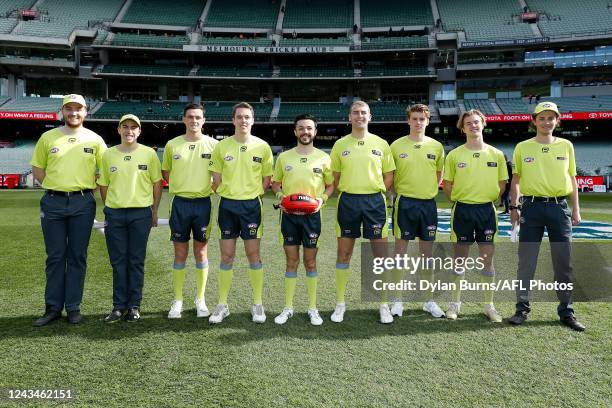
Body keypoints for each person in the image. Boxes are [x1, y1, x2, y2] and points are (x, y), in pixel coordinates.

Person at [30, 94, 107, 326]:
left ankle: (73, 307)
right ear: (62, 111)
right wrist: (58, 188)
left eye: (78, 109)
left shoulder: (95, 140)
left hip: (83, 203)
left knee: (77, 256)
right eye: (69, 109)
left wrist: (81, 191)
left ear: (86, 112)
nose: (74, 113)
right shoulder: (48, 137)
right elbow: (38, 170)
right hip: (52, 202)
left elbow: (103, 173)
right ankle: (53, 307)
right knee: (55, 256)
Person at [509, 101, 585, 331]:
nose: (546, 122)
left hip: (559, 208)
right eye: (541, 118)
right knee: (527, 262)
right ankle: (521, 309)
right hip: (531, 209)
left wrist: (576, 209)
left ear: (557, 121)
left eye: (551, 118)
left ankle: (566, 311)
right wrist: (515, 207)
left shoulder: (566, 145)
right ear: (534, 121)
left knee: (563, 263)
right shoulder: (522, 147)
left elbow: (572, 179)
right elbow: (516, 180)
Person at [329, 101, 395, 324]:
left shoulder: (381, 144)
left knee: (379, 257)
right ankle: (340, 304)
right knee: (344, 254)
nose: (359, 116)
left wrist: (373, 192)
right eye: (355, 113)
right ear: (349, 117)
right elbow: (336, 179)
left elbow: (389, 177)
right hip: (348, 201)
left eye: (363, 113)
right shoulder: (339, 145)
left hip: (374, 203)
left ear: (370, 116)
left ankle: (383, 304)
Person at [208, 102, 273, 324]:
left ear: (252, 120)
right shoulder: (221, 147)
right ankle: (222, 304)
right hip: (227, 206)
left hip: (251, 207)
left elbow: (266, 181)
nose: (243, 120)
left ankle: (257, 303)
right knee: (226, 256)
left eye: (247, 117)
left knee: (253, 255)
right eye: (239, 117)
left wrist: (248, 194)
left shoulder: (263, 147)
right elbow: (215, 181)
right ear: (233, 120)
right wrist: (231, 193)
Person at [443, 109, 508, 322]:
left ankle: (489, 305)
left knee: (487, 260)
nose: (473, 126)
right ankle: (454, 304)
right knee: (459, 260)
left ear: (483, 124)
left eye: (476, 122)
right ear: (463, 128)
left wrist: (483, 198)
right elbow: (448, 186)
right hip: (462, 210)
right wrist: (465, 198)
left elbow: (502, 185)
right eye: (468, 123)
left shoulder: (496, 154)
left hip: (486, 211)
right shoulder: (454, 155)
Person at [98, 114, 162, 323]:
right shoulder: (108, 155)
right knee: (118, 262)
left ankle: (134, 306)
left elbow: (156, 184)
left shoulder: (149, 154)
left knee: (135, 261)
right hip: (115, 214)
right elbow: (104, 185)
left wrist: (154, 210)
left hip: (140, 213)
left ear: (139, 131)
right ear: (118, 130)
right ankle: (118, 307)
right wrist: (113, 206)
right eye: (125, 127)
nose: (129, 131)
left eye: (133, 127)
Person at [271, 114, 334, 326]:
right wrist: (280, 197)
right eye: (301, 128)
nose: (305, 132)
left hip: (312, 217)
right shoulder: (284, 157)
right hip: (288, 217)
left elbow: (332, 185)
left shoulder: (324, 158)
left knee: (310, 262)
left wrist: (322, 200)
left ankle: (313, 308)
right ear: (295, 131)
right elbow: (275, 183)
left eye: (309, 128)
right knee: (291, 262)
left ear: (315, 132)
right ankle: (288, 308)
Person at [162, 104, 218, 319]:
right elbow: (166, 172)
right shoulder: (172, 145)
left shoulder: (214, 145)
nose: (194, 120)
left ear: (203, 120)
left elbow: (218, 174)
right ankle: (177, 300)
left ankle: (200, 299)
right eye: (190, 117)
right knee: (180, 253)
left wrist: (206, 189)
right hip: (180, 204)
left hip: (203, 203)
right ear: (183, 119)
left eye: (198, 117)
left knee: (201, 252)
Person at [390, 104, 445, 318]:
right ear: (408, 121)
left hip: (428, 204)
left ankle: (429, 301)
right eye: (414, 118)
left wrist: (426, 190)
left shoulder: (437, 146)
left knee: (427, 255)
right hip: (405, 204)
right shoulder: (396, 145)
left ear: (428, 121)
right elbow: (391, 177)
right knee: (400, 254)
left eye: (422, 119)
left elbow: (439, 175)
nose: (418, 122)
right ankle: (397, 300)